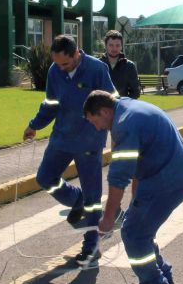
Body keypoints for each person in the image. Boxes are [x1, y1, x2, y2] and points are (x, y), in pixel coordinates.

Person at [85, 90, 183, 284]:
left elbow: (119, 177)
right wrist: (133, 205)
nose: (97, 128)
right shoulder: (128, 107)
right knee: (141, 227)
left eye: (95, 121)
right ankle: (159, 275)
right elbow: (136, 168)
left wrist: (108, 218)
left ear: (105, 111)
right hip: (176, 173)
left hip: (167, 180)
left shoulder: (125, 125)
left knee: (133, 232)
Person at [23, 35, 116, 267]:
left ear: (76, 54)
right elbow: (51, 104)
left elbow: (111, 103)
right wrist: (34, 125)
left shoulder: (97, 69)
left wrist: (119, 131)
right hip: (62, 137)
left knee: (93, 198)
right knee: (45, 178)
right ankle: (77, 199)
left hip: (89, 140)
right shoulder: (55, 71)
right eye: (57, 63)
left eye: (65, 63)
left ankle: (91, 247)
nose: (61, 68)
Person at [100, 29, 141, 99]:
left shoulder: (129, 66)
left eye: (117, 45)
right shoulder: (98, 64)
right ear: (105, 45)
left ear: (121, 46)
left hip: (122, 107)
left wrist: (124, 104)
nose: (114, 48)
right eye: (111, 45)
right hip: (101, 107)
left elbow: (135, 92)